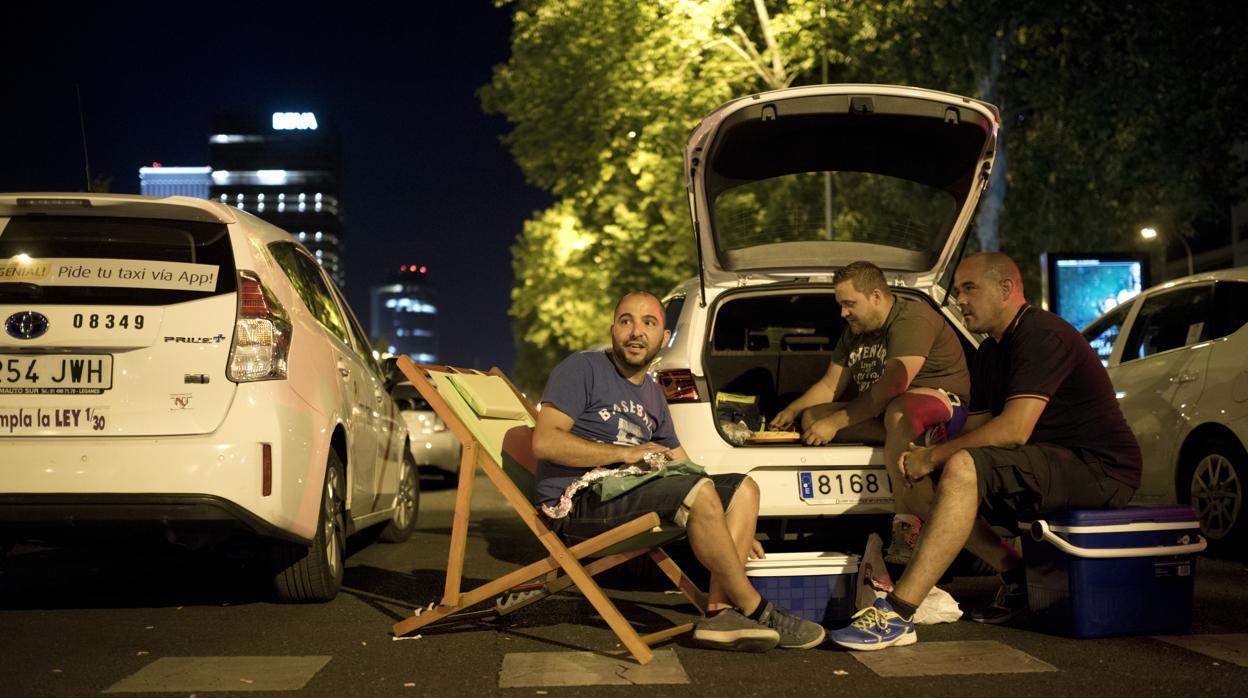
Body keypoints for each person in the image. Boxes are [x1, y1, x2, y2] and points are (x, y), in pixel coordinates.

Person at [829, 252, 1142, 651]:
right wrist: (925, 460)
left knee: (957, 464)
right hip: (1046, 460)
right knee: (940, 473)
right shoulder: (990, 351)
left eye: (969, 289)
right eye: (958, 291)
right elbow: (977, 431)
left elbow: (1013, 430)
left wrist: (938, 456)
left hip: (1099, 468)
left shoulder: (1041, 335)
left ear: (1006, 288)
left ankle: (899, 612)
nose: (959, 300)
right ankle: (1017, 577)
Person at [531, 291, 826, 652]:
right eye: (626, 321)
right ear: (613, 329)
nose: (636, 332)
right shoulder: (582, 368)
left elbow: (682, 463)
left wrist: (725, 512)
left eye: (648, 323)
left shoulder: (653, 392)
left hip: (629, 491)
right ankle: (757, 608)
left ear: (663, 337)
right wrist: (625, 454)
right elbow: (544, 442)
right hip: (582, 502)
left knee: (744, 489)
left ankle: (719, 615)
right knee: (699, 492)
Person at [770, 261, 970, 564]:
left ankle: (908, 525)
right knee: (813, 419)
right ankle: (912, 444)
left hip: (937, 405)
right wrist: (792, 410)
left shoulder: (912, 317)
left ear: (876, 296)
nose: (843, 313)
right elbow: (830, 385)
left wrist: (837, 423)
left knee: (899, 410)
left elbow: (894, 384)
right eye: (841, 305)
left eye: (849, 304)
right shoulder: (855, 331)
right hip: (886, 413)